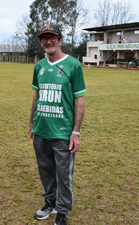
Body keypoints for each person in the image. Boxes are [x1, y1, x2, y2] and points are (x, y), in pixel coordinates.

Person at [27, 24, 86, 225]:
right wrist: (31, 123)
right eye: (44, 38)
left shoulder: (73, 65)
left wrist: (75, 132)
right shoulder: (39, 66)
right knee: (45, 169)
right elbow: (37, 95)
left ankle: (62, 212)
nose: (48, 41)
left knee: (64, 174)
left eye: (52, 37)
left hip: (63, 132)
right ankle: (50, 202)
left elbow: (80, 100)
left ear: (60, 39)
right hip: (41, 129)